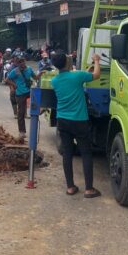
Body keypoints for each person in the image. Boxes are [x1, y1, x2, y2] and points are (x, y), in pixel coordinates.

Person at [50, 53, 102, 198]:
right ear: (67, 63)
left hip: (63, 121)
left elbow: (72, 77)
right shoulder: (77, 76)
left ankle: (71, 187)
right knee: (86, 152)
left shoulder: (55, 81)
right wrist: (97, 61)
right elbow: (96, 75)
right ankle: (89, 189)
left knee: (67, 154)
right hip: (79, 120)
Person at [6, 57, 41, 140]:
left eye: (23, 62)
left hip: (29, 91)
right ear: (17, 64)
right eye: (20, 62)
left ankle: (41, 109)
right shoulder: (16, 71)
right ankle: (22, 132)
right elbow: (7, 80)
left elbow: (35, 77)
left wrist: (40, 74)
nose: (22, 63)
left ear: (25, 62)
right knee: (21, 113)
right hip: (20, 94)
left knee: (38, 99)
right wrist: (14, 85)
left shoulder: (29, 69)